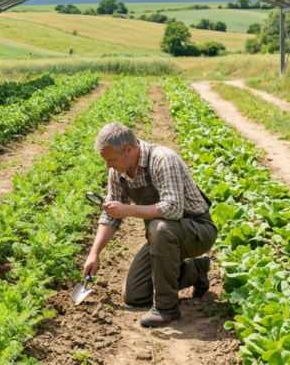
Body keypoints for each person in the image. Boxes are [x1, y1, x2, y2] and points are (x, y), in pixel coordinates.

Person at [82, 122, 217, 328]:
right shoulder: (118, 172)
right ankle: (195, 271)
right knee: (135, 294)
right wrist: (94, 253)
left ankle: (166, 309)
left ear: (129, 149)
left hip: (197, 230)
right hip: (164, 237)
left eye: (111, 159)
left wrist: (126, 210)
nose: (108, 165)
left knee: (159, 228)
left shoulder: (162, 159)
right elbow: (111, 217)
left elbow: (173, 209)